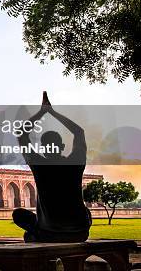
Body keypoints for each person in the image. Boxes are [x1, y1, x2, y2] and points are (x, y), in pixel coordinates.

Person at [13, 91, 92, 242]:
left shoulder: (39, 165)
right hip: (81, 232)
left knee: (21, 219)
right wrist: (53, 112)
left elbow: (22, 133)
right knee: (86, 211)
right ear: (62, 146)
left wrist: (42, 112)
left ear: (43, 148)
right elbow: (79, 132)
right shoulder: (75, 163)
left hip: (50, 233)